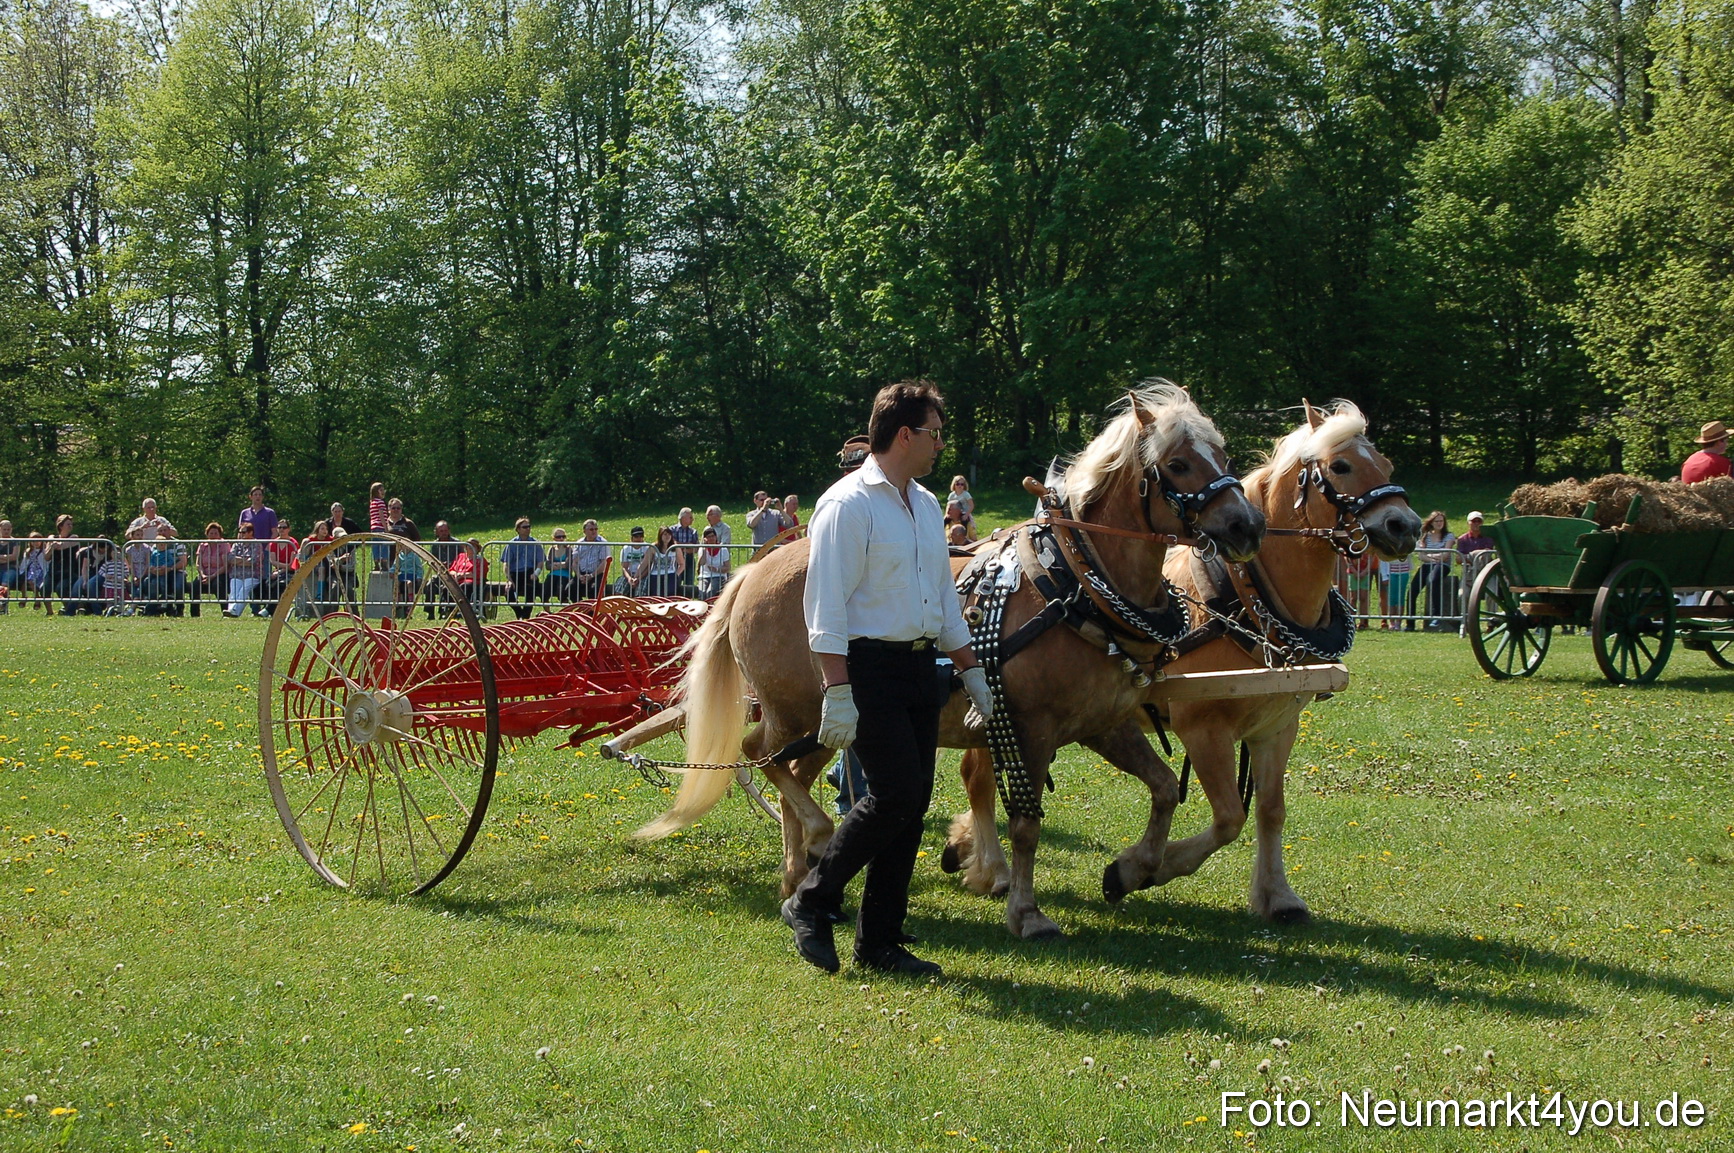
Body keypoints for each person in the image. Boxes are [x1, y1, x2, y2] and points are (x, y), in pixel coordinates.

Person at [779, 379, 994, 978]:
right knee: (895, 794)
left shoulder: (925, 505)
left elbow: (944, 601)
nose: (939, 445)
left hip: (920, 667)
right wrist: (837, 691)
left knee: (912, 802)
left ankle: (879, 942)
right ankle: (813, 900)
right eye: (935, 434)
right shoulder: (847, 505)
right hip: (866, 668)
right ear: (905, 434)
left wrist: (972, 674)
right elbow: (825, 607)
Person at [1411, 510, 1456, 630]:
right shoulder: (1425, 536)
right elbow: (1421, 555)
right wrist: (1434, 558)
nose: (1439, 523)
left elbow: (1446, 554)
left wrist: (1430, 556)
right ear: (1431, 522)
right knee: (1412, 590)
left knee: (1433, 580)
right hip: (1428, 565)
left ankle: (1437, 615)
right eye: (1437, 521)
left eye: (1441, 521)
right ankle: (1410, 623)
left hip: (1442, 566)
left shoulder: (1449, 536)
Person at [501, 517, 544, 619]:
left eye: (529, 526)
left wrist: (536, 573)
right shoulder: (511, 544)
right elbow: (506, 564)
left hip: (530, 572)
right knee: (508, 593)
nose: (528, 529)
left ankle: (525, 616)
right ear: (518, 529)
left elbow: (541, 562)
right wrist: (509, 580)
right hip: (515, 573)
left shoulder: (535, 543)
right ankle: (520, 613)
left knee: (531, 590)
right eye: (525, 527)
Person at [141, 527, 188, 616]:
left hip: (176, 571)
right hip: (159, 572)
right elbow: (151, 560)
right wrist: (153, 569)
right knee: (150, 583)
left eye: (165, 530)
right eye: (160, 531)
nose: (162, 532)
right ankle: (153, 609)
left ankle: (179, 609)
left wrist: (169, 568)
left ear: (170, 531)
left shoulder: (178, 544)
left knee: (178, 585)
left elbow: (183, 562)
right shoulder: (155, 545)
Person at [189, 522, 230, 618]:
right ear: (207, 534)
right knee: (194, 585)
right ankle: (195, 614)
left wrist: (213, 576)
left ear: (220, 535)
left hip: (219, 573)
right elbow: (198, 563)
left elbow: (225, 565)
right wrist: (203, 575)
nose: (213, 536)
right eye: (211, 533)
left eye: (216, 533)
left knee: (218, 585)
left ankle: (226, 611)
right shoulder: (203, 545)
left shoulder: (224, 545)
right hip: (205, 574)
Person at [226, 522, 267, 617]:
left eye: (243, 532)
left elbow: (253, 561)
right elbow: (230, 558)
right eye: (240, 532)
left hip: (253, 575)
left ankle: (234, 611)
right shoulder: (237, 544)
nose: (241, 534)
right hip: (237, 574)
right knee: (234, 591)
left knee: (244, 590)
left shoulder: (256, 544)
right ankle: (231, 610)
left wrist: (238, 560)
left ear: (250, 532)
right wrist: (244, 559)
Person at [575, 520, 610, 600]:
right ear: (584, 531)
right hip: (581, 574)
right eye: (591, 529)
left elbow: (604, 563)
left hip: (597, 574)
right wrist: (579, 575)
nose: (594, 531)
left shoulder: (602, 543)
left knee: (593, 589)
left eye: (595, 529)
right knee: (570, 588)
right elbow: (574, 562)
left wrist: (591, 576)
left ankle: (591, 612)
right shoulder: (579, 543)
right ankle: (581, 609)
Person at [641, 526, 680, 596]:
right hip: (655, 575)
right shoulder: (653, 547)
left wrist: (676, 575)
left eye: (669, 534)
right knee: (656, 596)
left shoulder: (675, 547)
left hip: (670, 575)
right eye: (664, 534)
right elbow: (645, 563)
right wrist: (636, 576)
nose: (667, 536)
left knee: (669, 596)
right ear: (660, 536)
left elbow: (682, 563)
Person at [671, 508, 700, 596]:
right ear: (683, 518)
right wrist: (687, 545)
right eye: (690, 517)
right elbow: (672, 545)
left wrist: (680, 547)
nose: (692, 519)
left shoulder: (693, 532)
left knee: (689, 583)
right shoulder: (672, 530)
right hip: (675, 560)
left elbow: (696, 548)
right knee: (675, 581)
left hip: (689, 560)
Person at [698, 526, 731, 599]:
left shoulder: (723, 549)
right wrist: (704, 548)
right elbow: (702, 562)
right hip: (705, 576)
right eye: (708, 537)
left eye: (713, 536)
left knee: (710, 593)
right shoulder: (702, 549)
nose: (711, 538)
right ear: (705, 539)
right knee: (702, 593)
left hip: (718, 576)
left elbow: (728, 567)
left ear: (716, 537)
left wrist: (716, 569)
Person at [544, 527, 575, 603]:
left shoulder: (569, 549)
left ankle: (567, 610)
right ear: (554, 538)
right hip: (552, 575)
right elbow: (547, 565)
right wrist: (562, 564)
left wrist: (555, 564)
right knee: (544, 593)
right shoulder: (552, 549)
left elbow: (568, 565)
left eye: (563, 537)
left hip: (565, 575)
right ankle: (549, 613)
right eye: (558, 537)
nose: (561, 539)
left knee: (561, 593)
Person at [616, 527, 649, 595]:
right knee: (618, 591)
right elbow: (624, 567)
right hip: (629, 574)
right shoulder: (626, 548)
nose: (639, 539)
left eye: (641, 536)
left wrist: (638, 578)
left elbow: (648, 568)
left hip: (643, 575)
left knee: (640, 593)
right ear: (631, 538)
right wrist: (629, 578)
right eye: (636, 537)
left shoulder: (647, 548)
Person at [0, 520, 20, 612]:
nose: (6, 531)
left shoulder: (15, 542)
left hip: (10, 568)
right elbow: (10, 556)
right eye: (4, 529)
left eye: (8, 529)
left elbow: (14, 557)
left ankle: (3, 607)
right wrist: (7, 557)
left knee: (5, 584)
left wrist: (2, 557)